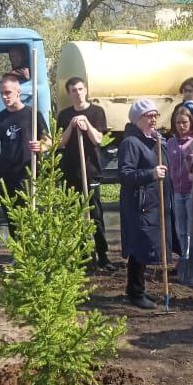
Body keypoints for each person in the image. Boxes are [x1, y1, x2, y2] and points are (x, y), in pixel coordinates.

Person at [56, 76, 113, 270]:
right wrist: (71, 127)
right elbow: (61, 143)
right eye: (74, 90)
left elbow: (98, 139)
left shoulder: (97, 112)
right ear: (69, 93)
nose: (78, 93)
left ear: (86, 90)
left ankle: (102, 255)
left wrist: (86, 124)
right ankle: (82, 255)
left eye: (80, 89)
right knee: (75, 216)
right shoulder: (64, 115)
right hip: (71, 172)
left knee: (95, 215)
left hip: (91, 171)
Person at [118, 99, 169, 310]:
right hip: (138, 203)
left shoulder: (153, 140)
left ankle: (136, 288)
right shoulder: (131, 142)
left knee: (145, 244)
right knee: (139, 245)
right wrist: (151, 173)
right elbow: (125, 174)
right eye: (149, 116)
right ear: (137, 119)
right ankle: (135, 292)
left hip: (152, 202)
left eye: (155, 115)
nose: (154, 119)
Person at [0, 72, 49, 234]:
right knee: (12, 220)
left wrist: (40, 146)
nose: (4, 96)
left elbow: (48, 141)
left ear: (18, 92)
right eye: (2, 92)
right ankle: (19, 256)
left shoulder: (32, 114)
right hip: (5, 178)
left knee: (29, 218)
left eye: (8, 92)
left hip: (28, 176)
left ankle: (31, 255)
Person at [166, 104, 193, 282]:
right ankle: (183, 260)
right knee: (180, 230)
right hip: (177, 192)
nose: (181, 126)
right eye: (178, 122)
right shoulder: (170, 143)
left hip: (192, 192)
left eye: (185, 122)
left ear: (191, 123)